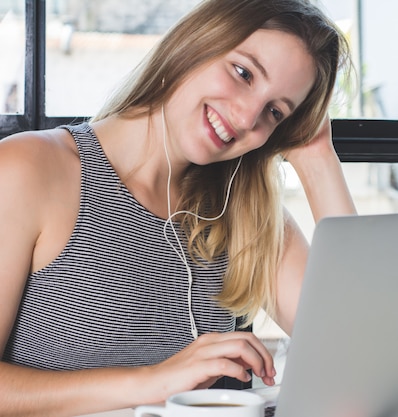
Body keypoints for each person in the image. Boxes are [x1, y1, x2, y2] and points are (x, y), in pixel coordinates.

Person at [0, 0, 356, 415]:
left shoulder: (245, 212)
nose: (246, 117)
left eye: (274, 112)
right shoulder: (31, 169)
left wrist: (318, 160)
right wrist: (153, 381)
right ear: (195, 44)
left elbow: (356, 352)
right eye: (243, 73)